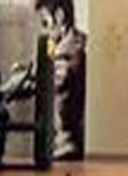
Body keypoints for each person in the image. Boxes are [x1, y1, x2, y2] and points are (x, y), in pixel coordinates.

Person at [34, 0, 86, 160]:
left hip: (65, 146)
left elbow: (49, 76)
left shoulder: (68, 55)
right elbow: (47, 59)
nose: (44, 30)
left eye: (45, 23)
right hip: (63, 143)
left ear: (59, 16)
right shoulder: (74, 42)